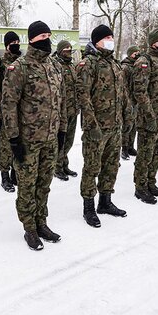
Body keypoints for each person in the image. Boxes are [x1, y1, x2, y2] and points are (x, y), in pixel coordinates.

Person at [2, 20, 67, 250]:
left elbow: (61, 101)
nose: (47, 40)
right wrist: (13, 139)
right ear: (31, 39)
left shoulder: (54, 66)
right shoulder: (20, 67)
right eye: (42, 37)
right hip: (28, 141)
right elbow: (8, 104)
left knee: (44, 184)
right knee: (27, 186)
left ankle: (42, 222)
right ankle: (29, 227)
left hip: (50, 139)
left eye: (49, 36)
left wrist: (62, 130)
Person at [76, 24, 128, 227]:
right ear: (96, 41)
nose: (110, 40)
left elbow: (121, 95)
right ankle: (88, 207)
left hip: (115, 126)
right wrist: (92, 125)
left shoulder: (114, 64)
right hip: (96, 128)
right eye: (106, 37)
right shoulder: (88, 64)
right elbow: (83, 97)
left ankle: (105, 202)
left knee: (112, 165)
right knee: (92, 167)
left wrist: (124, 118)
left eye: (111, 37)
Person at [131, 28, 158, 204]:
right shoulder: (144, 61)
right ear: (153, 42)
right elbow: (140, 92)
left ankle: (151, 182)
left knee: (157, 152)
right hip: (149, 118)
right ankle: (140, 187)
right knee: (145, 154)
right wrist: (149, 117)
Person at [0, 31, 21, 192]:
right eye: (12, 42)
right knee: (6, 145)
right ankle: (5, 175)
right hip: (5, 113)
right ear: (6, 45)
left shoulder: (22, 62)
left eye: (17, 41)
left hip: (21, 113)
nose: (16, 44)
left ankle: (15, 172)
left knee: (19, 143)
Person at [53, 40, 80, 181]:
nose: (69, 51)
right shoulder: (55, 65)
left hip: (73, 110)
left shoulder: (72, 66)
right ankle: (57, 167)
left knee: (69, 140)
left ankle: (64, 164)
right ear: (59, 50)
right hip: (61, 112)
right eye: (65, 49)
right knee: (60, 141)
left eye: (70, 48)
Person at [120, 45, 140, 160]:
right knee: (127, 125)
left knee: (134, 125)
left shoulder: (137, 66)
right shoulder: (125, 67)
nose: (137, 54)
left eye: (138, 52)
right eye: (134, 53)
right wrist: (126, 100)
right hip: (128, 101)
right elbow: (123, 86)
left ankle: (130, 146)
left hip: (136, 100)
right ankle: (124, 148)